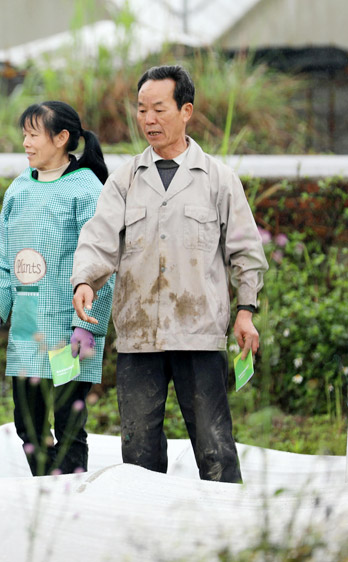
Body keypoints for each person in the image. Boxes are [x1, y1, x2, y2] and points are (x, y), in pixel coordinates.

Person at [71, 65, 268, 483]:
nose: (149, 119)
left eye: (159, 109)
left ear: (186, 111)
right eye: (142, 110)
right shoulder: (124, 179)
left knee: (215, 448)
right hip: (139, 336)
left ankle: (227, 534)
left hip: (198, 332)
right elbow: (98, 238)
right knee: (138, 453)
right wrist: (85, 280)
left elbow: (245, 251)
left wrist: (246, 309)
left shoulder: (218, 179)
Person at [0, 101, 114, 476]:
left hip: (68, 332)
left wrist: (87, 324)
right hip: (26, 329)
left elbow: (101, 263)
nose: (26, 142)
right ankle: (44, 491)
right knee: (30, 426)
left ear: (62, 138)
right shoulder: (19, 188)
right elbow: (1, 259)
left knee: (69, 425)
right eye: (24, 134)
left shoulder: (85, 190)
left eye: (33, 134)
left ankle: (71, 497)